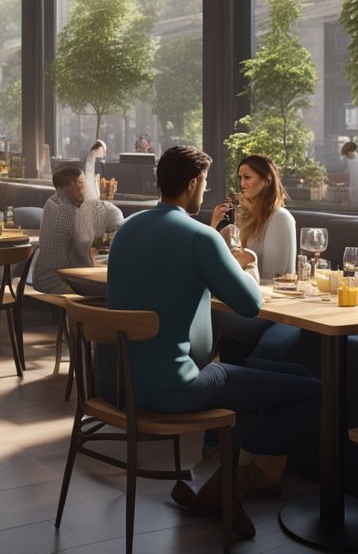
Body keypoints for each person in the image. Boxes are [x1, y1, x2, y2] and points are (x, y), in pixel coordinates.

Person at [107, 146, 320, 534]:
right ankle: (227, 480)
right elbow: (251, 305)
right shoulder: (200, 236)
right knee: (310, 389)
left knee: (274, 370)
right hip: (182, 386)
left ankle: (213, 474)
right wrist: (251, 265)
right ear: (192, 184)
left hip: (124, 385)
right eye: (204, 183)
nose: (205, 191)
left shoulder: (128, 229)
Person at [209, 155, 299, 366]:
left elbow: (274, 278)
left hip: (265, 310)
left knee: (200, 306)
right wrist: (214, 225)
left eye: (247, 177)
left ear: (266, 180)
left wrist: (247, 261)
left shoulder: (281, 218)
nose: (242, 183)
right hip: (243, 301)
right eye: (240, 177)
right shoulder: (246, 217)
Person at [31, 165, 124, 294]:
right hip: (55, 281)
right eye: (80, 183)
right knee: (111, 291)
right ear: (64, 188)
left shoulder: (56, 202)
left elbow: (108, 211)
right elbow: (83, 240)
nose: (84, 188)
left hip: (60, 275)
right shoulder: (61, 210)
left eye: (84, 183)